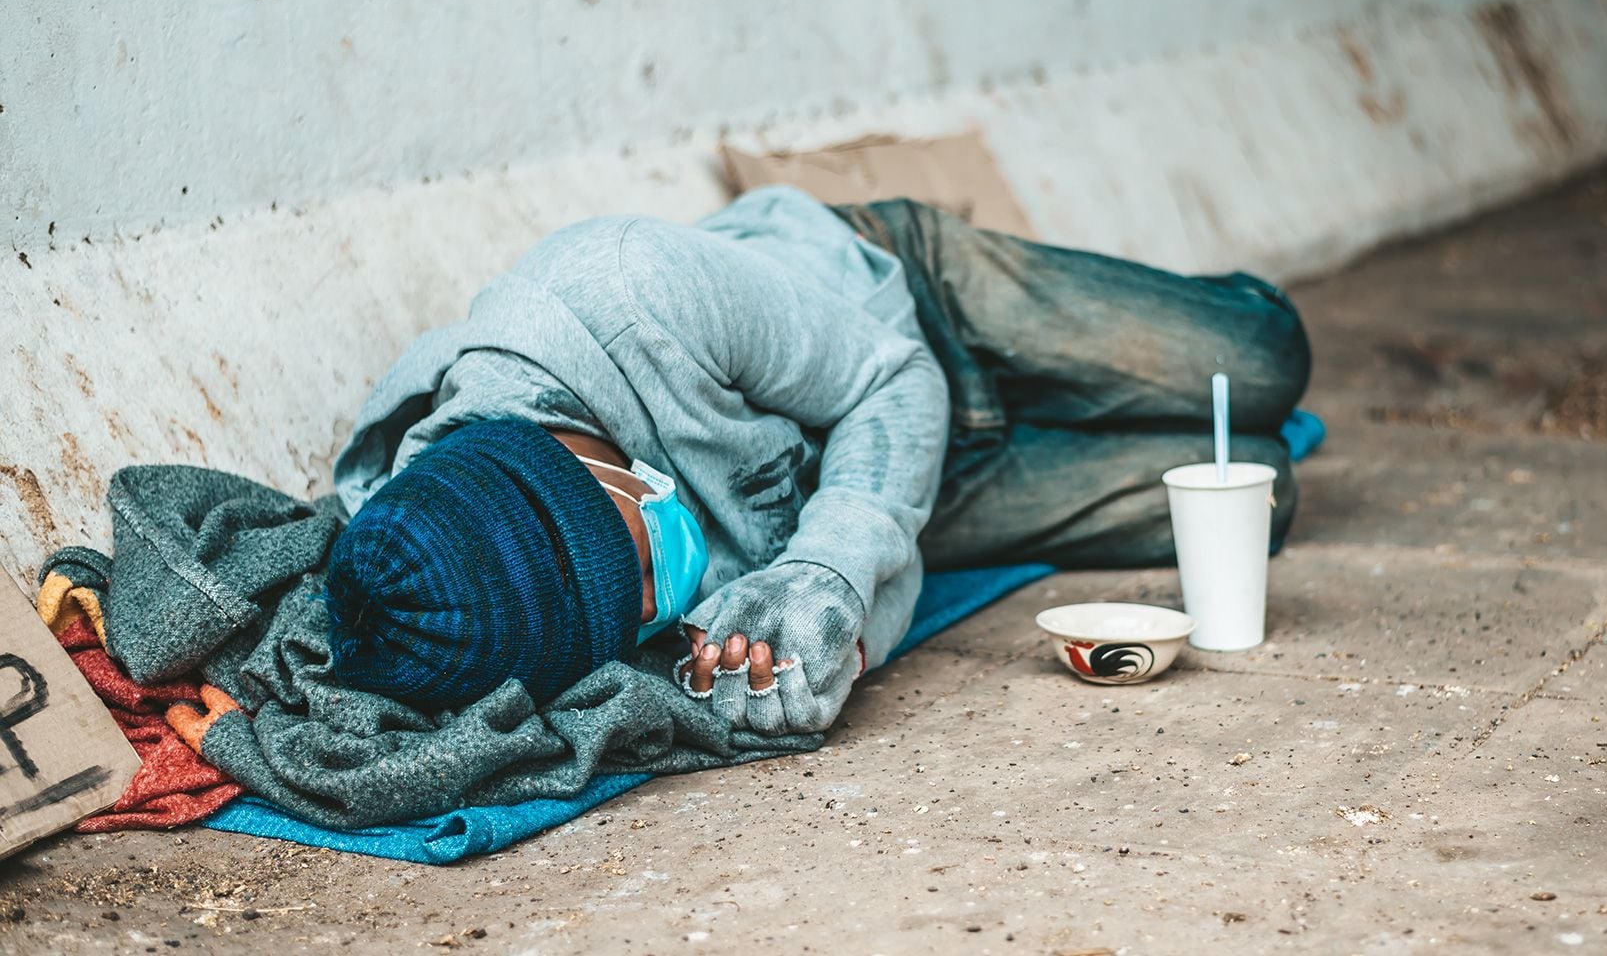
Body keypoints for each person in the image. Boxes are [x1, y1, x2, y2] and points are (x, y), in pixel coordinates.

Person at [324, 186, 1310, 734]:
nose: (655, 602)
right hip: (886, 485)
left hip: (903, 312)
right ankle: (1072, 397)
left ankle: (1067, 355)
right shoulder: (457, 585)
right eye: (628, 619)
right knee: (1261, 490)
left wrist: (829, 565)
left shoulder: (628, 286)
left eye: (633, 565)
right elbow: (861, 577)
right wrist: (829, 646)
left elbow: (896, 384)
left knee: (1262, 366)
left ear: (584, 464)